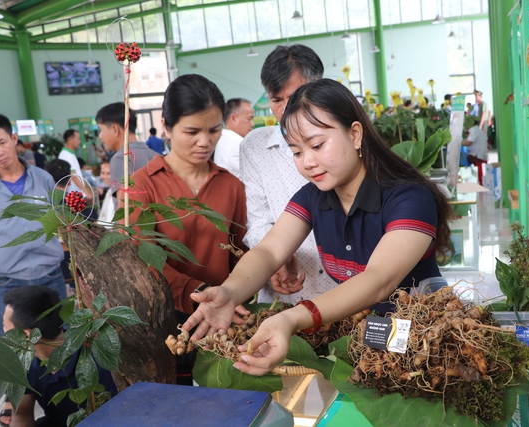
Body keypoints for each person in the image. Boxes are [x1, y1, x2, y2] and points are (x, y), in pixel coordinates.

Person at [184, 79, 452, 376]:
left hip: (429, 346)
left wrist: (295, 318)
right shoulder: (314, 198)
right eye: (296, 152)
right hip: (371, 343)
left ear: (354, 134)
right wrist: (230, 292)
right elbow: (271, 251)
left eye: (317, 145)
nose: (307, 162)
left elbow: (379, 281)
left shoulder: (409, 198)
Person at [130, 74, 248, 314]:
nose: (205, 142)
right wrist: (200, 291)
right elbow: (144, 258)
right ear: (166, 126)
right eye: (192, 132)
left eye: (214, 130)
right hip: (163, 316)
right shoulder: (142, 184)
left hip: (224, 313)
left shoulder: (231, 185)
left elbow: (239, 252)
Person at [239, 44, 336, 306]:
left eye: (293, 97)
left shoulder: (342, 139)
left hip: (344, 286)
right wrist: (276, 261)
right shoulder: (255, 146)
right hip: (287, 292)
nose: (285, 110)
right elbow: (257, 221)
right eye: (276, 100)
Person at [0, 113, 67, 336]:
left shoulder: (44, 179)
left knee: (63, 341)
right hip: (9, 281)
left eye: (2, 142)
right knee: (13, 347)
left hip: (50, 276)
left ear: (13, 138)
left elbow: (55, 219)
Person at [2, 286, 117, 427]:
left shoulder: (94, 360)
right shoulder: (23, 363)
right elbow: (21, 413)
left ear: (26, 335)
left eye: (5, 327)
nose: (4, 333)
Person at [95, 102, 157, 205]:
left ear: (115, 129)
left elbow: (125, 211)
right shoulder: (155, 155)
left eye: (101, 130)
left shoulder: (121, 159)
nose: (100, 136)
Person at [213, 98, 255, 178]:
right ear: (233, 118)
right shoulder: (234, 146)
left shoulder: (225, 139)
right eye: (249, 119)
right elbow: (259, 172)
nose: (252, 124)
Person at [58, 130, 93, 200]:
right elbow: (73, 176)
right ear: (70, 140)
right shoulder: (65, 155)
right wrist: (86, 192)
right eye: (78, 139)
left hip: (76, 194)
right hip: (73, 195)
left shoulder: (70, 154)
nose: (79, 141)